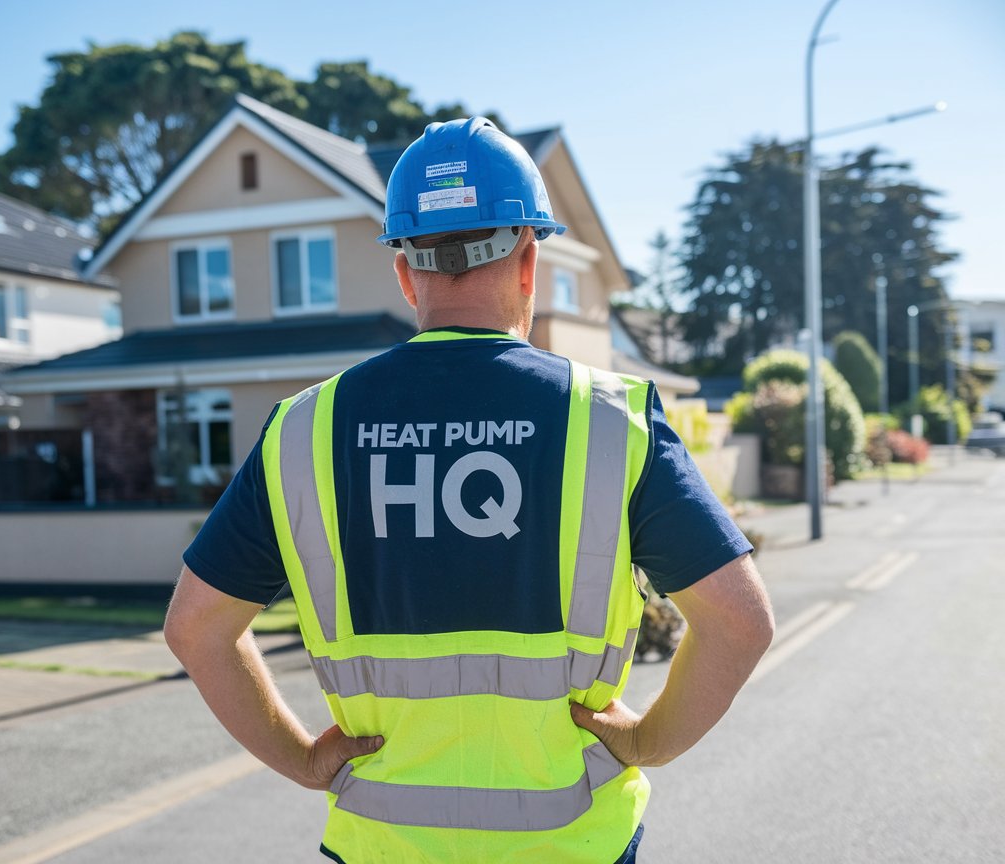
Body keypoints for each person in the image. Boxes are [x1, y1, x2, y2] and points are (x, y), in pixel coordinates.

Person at [164, 117, 775, 863]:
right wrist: (649, 740)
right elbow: (739, 623)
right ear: (528, 261)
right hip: (572, 844)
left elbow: (196, 630)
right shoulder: (613, 420)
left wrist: (301, 759)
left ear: (404, 269)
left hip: (381, 846)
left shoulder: (302, 429)